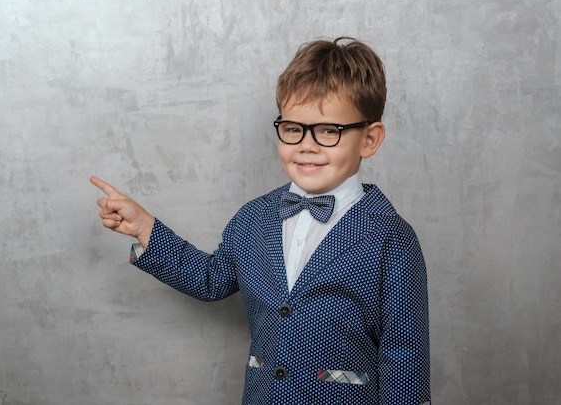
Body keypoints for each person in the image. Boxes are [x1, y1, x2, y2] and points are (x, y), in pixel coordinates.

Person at [91, 37, 430, 404]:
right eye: (292, 128)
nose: (307, 145)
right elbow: (211, 278)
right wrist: (145, 228)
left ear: (369, 139)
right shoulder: (253, 218)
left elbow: (405, 354)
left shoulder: (391, 238)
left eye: (329, 130)